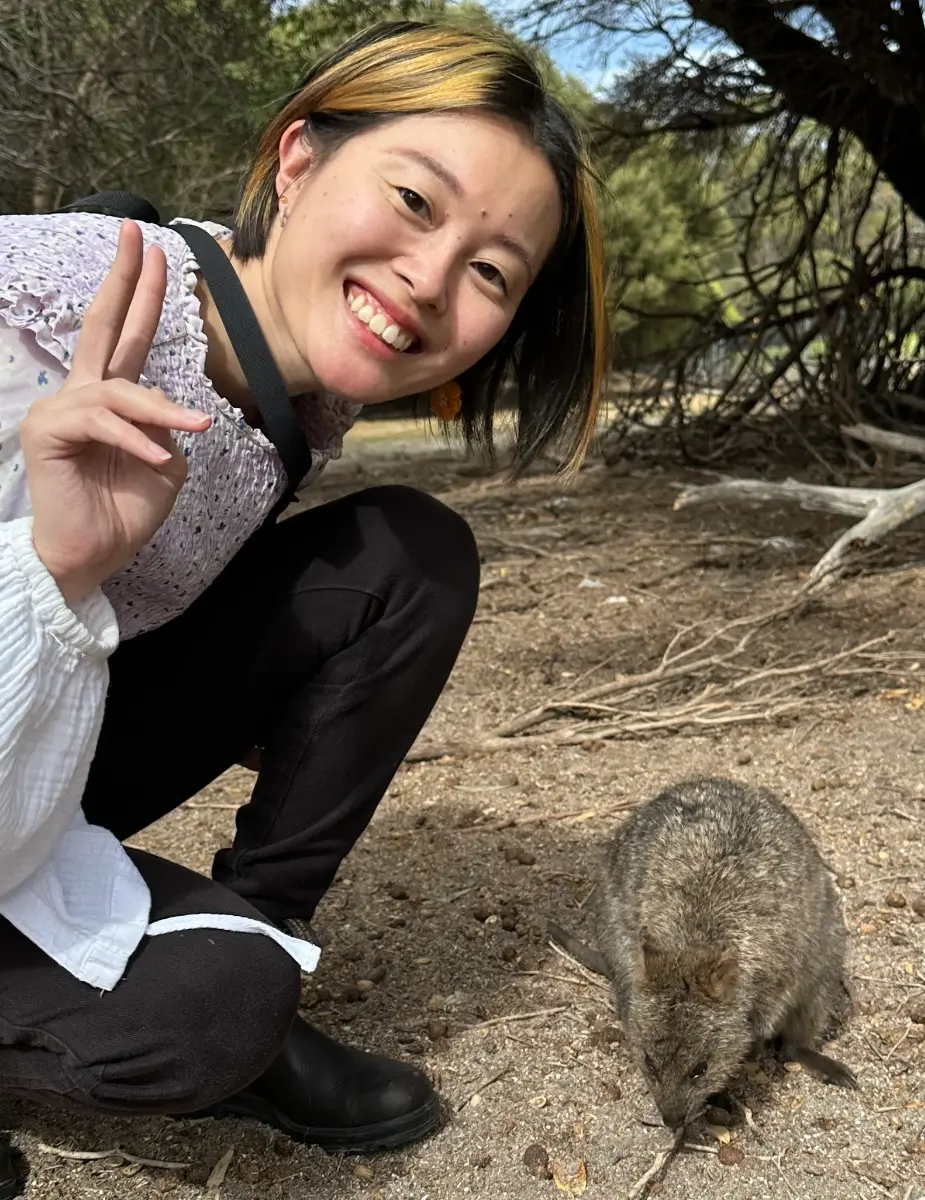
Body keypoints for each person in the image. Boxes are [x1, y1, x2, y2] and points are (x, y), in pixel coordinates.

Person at [0, 18, 607, 1157]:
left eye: (490, 273)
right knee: (207, 1014)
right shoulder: (53, 307)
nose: (429, 283)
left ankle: (255, 928)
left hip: (28, 758)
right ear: (297, 162)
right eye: (416, 202)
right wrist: (53, 570)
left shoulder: (297, 398)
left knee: (407, 557)